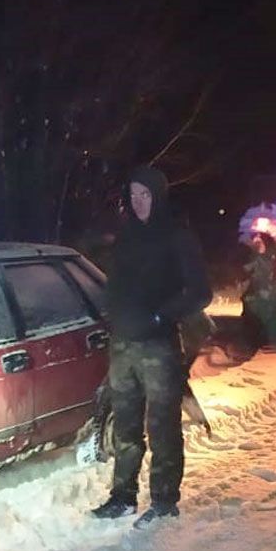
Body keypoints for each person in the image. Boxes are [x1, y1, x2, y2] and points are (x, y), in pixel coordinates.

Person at [90, 165, 212, 527]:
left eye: (144, 194)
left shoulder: (177, 236)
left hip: (158, 347)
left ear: (158, 196)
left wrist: (162, 316)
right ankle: (123, 497)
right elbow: (119, 284)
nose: (138, 201)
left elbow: (200, 292)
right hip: (123, 345)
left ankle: (164, 501)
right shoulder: (127, 237)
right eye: (133, 194)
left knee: (163, 427)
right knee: (126, 428)